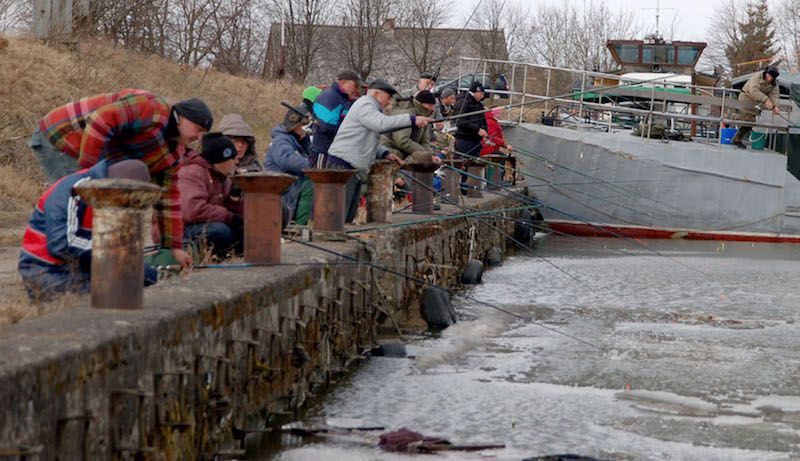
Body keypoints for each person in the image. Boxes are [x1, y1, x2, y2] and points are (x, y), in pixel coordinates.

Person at [31, 89, 212, 269]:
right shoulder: (151, 108)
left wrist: (173, 248)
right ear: (180, 116)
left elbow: (169, 199)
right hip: (62, 135)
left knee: (99, 207)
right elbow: (100, 122)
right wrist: (90, 178)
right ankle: (53, 265)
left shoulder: (173, 155)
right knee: (77, 202)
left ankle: (95, 265)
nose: (199, 137)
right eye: (199, 129)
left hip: (92, 152)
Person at [18, 160, 157, 302]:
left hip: (83, 268)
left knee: (147, 285)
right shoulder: (74, 190)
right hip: (47, 271)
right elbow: (62, 244)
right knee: (117, 300)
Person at [323, 79, 433, 222]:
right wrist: (412, 120)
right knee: (337, 216)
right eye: (388, 98)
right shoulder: (366, 104)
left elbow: (367, 137)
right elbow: (380, 124)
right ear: (376, 93)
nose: (389, 102)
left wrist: (385, 153)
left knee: (348, 215)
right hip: (343, 165)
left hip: (353, 167)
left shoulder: (369, 107)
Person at [179, 132, 243, 259]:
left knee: (245, 230)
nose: (237, 162)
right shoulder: (193, 172)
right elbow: (192, 210)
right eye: (233, 158)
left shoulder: (222, 176)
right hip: (179, 229)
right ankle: (194, 254)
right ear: (222, 159)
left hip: (202, 224)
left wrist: (235, 197)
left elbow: (229, 209)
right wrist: (229, 217)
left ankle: (222, 255)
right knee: (220, 231)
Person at [264, 104, 313, 224]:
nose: (306, 129)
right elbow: (286, 159)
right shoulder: (281, 140)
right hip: (282, 191)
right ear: (295, 125)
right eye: (303, 125)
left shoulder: (299, 140)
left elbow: (310, 153)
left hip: (292, 189)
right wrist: (313, 166)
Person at [381, 90, 443, 166]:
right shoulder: (406, 112)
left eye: (433, 105)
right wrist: (425, 154)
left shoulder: (425, 116)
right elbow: (402, 141)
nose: (432, 109)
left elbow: (424, 141)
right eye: (430, 105)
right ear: (420, 104)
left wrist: (430, 155)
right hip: (388, 152)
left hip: (403, 154)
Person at [732, 65, 780, 149]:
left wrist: (775, 106)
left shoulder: (774, 84)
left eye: (771, 77)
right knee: (748, 120)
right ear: (766, 73)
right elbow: (753, 90)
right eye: (768, 76)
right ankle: (733, 117)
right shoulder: (757, 76)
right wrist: (765, 100)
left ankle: (736, 139)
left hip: (756, 103)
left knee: (750, 122)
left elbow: (775, 94)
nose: (769, 79)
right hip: (746, 98)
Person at [453, 82, 488, 192]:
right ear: (475, 92)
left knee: (473, 164)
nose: (482, 96)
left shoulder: (480, 106)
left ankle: (472, 189)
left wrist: (485, 132)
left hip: (476, 141)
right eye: (481, 94)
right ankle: (457, 188)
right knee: (462, 163)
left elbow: (483, 121)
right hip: (464, 139)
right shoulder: (463, 103)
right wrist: (477, 129)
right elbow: (460, 121)